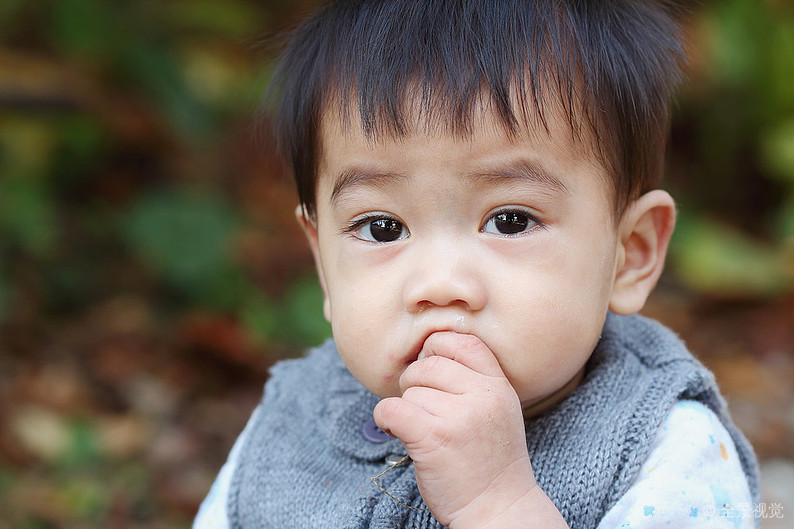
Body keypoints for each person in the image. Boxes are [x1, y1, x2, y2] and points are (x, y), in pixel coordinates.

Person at [194, 1, 760, 527]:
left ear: (630, 253)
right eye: (382, 227)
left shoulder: (665, 449)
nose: (440, 284)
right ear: (323, 262)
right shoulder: (288, 426)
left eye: (510, 221)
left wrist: (497, 503)